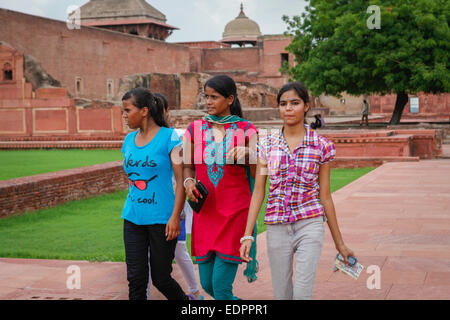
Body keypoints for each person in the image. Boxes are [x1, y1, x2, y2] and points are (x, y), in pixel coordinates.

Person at [240, 81, 355, 300]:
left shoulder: (321, 146)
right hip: (276, 225)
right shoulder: (267, 144)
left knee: (302, 294)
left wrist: (340, 243)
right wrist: (247, 236)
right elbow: (259, 191)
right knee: (282, 294)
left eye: (295, 103)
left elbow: (325, 196)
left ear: (307, 106)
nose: (289, 108)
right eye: (283, 104)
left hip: (309, 223)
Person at [183, 74, 258, 300]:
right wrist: (188, 182)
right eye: (206, 96)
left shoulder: (247, 129)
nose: (208, 102)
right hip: (206, 213)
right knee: (207, 285)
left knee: (221, 288)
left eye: (214, 97)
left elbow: (259, 171)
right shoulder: (194, 128)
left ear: (230, 99)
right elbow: (187, 166)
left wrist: (250, 154)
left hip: (235, 213)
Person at [121, 87, 189, 300]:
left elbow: (180, 182)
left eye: (127, 110)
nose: (124, 115)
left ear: (144, 111)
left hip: (162, 220)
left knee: (161, 278)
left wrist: (175, 217)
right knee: (136, 279)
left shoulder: (170, 138)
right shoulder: (128, 141)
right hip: (133, 218)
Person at [145, 92, 203, 300]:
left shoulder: (176, 136)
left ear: (167, 111)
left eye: (159, 108)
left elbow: (186, 170)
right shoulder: (144, 138)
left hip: (174, 203)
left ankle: (195, 291)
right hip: (152, 202)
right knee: (147, 251)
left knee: (178, 249)